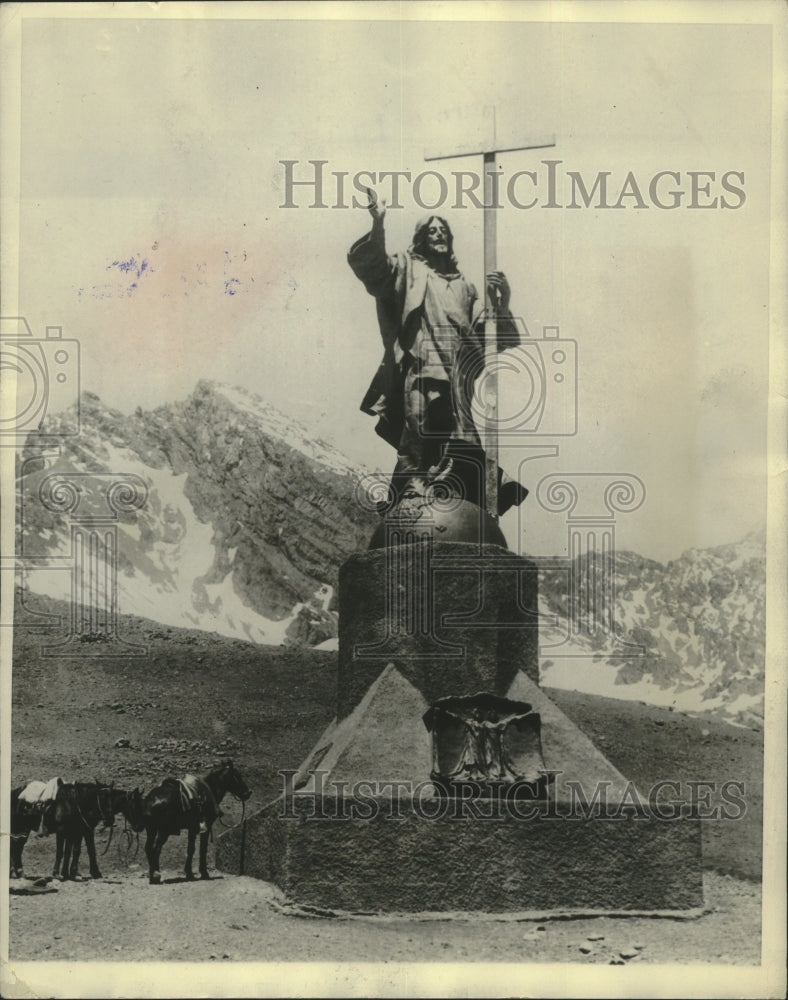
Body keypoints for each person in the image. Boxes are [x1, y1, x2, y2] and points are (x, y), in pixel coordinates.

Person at [348, 188, 527, 515]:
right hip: (421, 368)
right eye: (431, 231)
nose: (439, 235)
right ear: (421, 239)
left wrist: (503, 303)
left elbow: (491, 336)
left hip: (457, 375)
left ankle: (483, 494)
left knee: (461, 439)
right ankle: (407, 497)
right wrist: (378, 222)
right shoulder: (410, 271)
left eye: (443, 231)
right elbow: (375, 271)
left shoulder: (466, 288)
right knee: (418, 433)